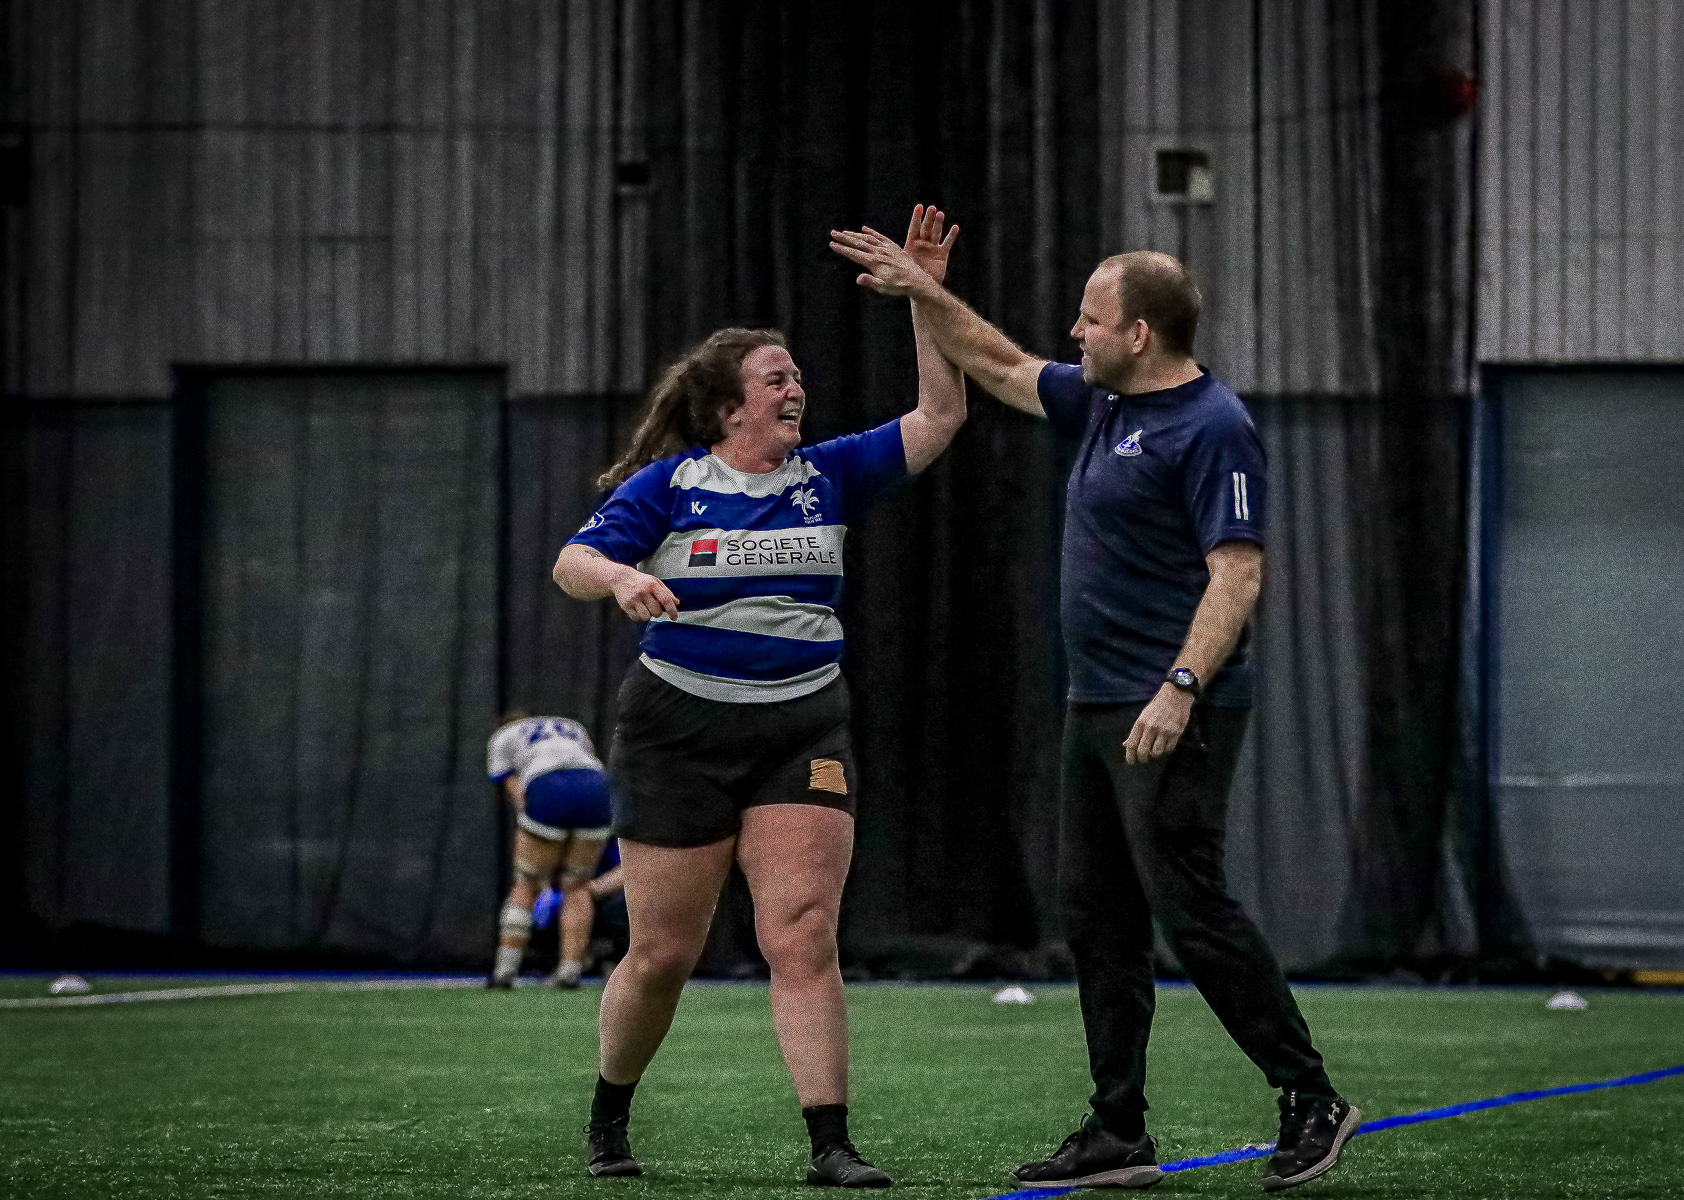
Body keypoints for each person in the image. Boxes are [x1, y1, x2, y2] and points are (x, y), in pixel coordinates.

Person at [829, 226, 1360, 1192]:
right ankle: (1119, 1131)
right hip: (1096, 707)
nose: (1074, 330)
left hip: (1172, 710)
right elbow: (994, 362)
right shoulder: (1102, 404)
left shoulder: (1214, 426)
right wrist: (923, 291)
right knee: (1099, 920)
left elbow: (1237, 576)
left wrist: (1180, 687)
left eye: (1091, 317)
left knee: (1189, 909)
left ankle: (1311, 1098)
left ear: (1142, 333)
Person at [552, 208, 965, 1187]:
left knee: (803, 930)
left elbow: (941, 417)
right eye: (777, 378)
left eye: (797, 377)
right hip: (676, 729)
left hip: (800, 722)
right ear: (730, 405)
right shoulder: (668, 485)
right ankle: (611, 1114)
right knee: (662, 953)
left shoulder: (829, 475)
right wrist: (619, 582)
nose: (797, 390)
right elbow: (572, 559)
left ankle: (831, 1144)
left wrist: (924, 298)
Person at [486, 713, 625, 989]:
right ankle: (570, 970)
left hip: (547, 785)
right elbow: (586, 764)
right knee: (577, 886)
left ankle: (505, 971)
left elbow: (517, 795)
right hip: (596, 787)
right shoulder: (573, 726)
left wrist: (529, 838)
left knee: (526, 883)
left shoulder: (503, 737)